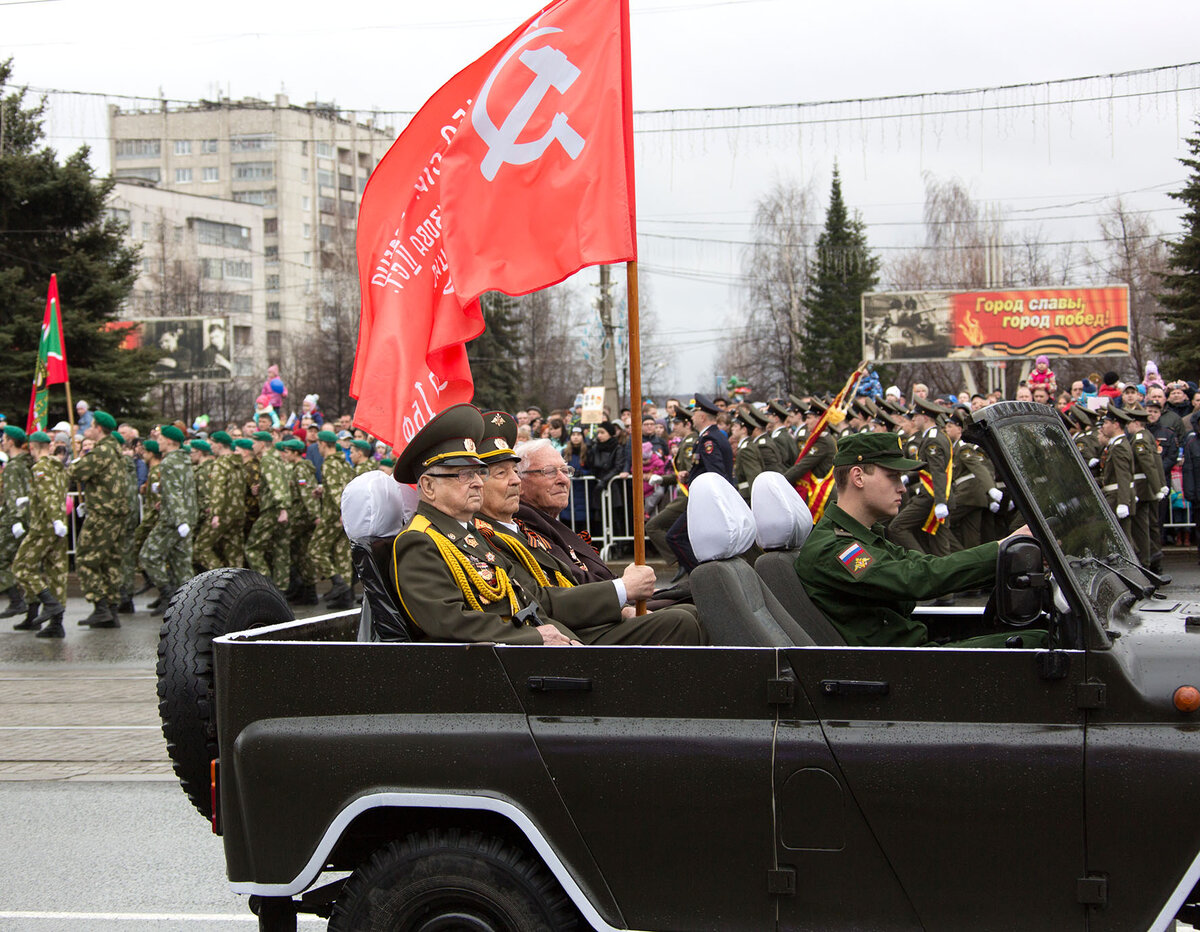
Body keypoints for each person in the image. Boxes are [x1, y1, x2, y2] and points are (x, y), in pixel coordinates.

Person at [389, 404, 703, 646]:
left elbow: (530, 598)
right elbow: (449, 622)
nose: (476, 483)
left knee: (688, 611)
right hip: (520, 662)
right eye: (464, 475)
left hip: (548, 643)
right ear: (428, 487)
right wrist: (539, 637)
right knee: (682, 623)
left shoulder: (467, 534)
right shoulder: (419, 541)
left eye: (478, 473)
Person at [794, 431, 1041, 648]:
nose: (902, 488)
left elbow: (925, 567)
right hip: (897, 671)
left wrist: (1011, 559)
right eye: (892, 476)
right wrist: (1003, 548)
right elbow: (917, 579)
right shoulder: (835, 548)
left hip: (909, 660)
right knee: (1039, 643)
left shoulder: (861, 535)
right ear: (858, 477)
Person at [69, 411, 132, 628]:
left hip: (102, 514)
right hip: (116, 514)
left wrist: (79, 458)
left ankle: (100, 605)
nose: (88, 428)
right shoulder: (116, 451)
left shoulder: (102, 451)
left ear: (98, 429)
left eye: (91, 425)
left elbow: (75, 471)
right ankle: (111, 608)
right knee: (110, 561)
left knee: (86, 559)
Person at [664, 394, 734, 576]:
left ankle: (703, 577)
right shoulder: (707, 438)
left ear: (702, 416)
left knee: (675, 536)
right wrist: (689, 476)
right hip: (706, 500)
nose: (692, 417)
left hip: (707, 502)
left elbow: (716, 474)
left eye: (694, 413)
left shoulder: (709, 440)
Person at [11, 431, 70, 636]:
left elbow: (48, 495)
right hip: (58, 526)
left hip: (44, 526)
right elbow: (53, 492)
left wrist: (54, 519)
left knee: (21, 567)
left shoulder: (40, 467)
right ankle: (56, 624)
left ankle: (50, 603)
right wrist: (28, 500)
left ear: (33, 447)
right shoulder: (59, 467)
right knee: (57, 573)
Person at [887, 396, 961, 557]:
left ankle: (921, 562)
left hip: (932, 497)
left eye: (916, 416)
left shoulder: (932, 439)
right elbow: (927, 467)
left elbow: (938, 471)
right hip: (937, 495)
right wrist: (908, 477)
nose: (913, 419)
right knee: (940, 546)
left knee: (897, 527)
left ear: (925, 417)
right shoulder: (934, 435)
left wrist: (941, 502)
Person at [140, 425, 197, 615]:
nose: (158, 440)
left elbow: (175, 493)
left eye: (161, 437)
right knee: (182, 565)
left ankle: (168, 595)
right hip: (186, 517)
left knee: (148, 556)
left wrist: (180, 520)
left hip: (173, 520)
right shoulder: (184, 459)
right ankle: (190, 604)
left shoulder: (168, 462)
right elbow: (181, 488)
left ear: (170, 441)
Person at [308, 430, 355, 609]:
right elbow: (344, 486)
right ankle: (345, 596)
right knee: (341, 553)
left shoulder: (329, 464)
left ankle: (338, 583)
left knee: (315, 550)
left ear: (323, 444)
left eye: (318, 445)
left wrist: (342, 510)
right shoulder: (344, 463)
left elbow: (337, 490)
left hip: (333, 516)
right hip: (345, 514)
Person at [244, 430, 292, 591]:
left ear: (262, 444)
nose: (252, 445)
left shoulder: (267, 460)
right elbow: (283, 482)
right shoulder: (278, 459)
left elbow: (276, 485)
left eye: (255, 442)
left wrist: (282, 507)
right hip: (281, 508)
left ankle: (266, 587)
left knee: (252, 548)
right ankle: (281, 589)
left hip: (274, 510)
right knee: (281, 550)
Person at [0, 426, 35, 618]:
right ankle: (32, 615)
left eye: (4, 439)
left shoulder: (13, 466)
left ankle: (16, 601)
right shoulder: (26, 463)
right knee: (27, 565)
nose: (2, 442)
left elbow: (14, 496)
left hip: (13, 521)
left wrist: (14, 520)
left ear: (11, 441)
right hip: (28, 518)